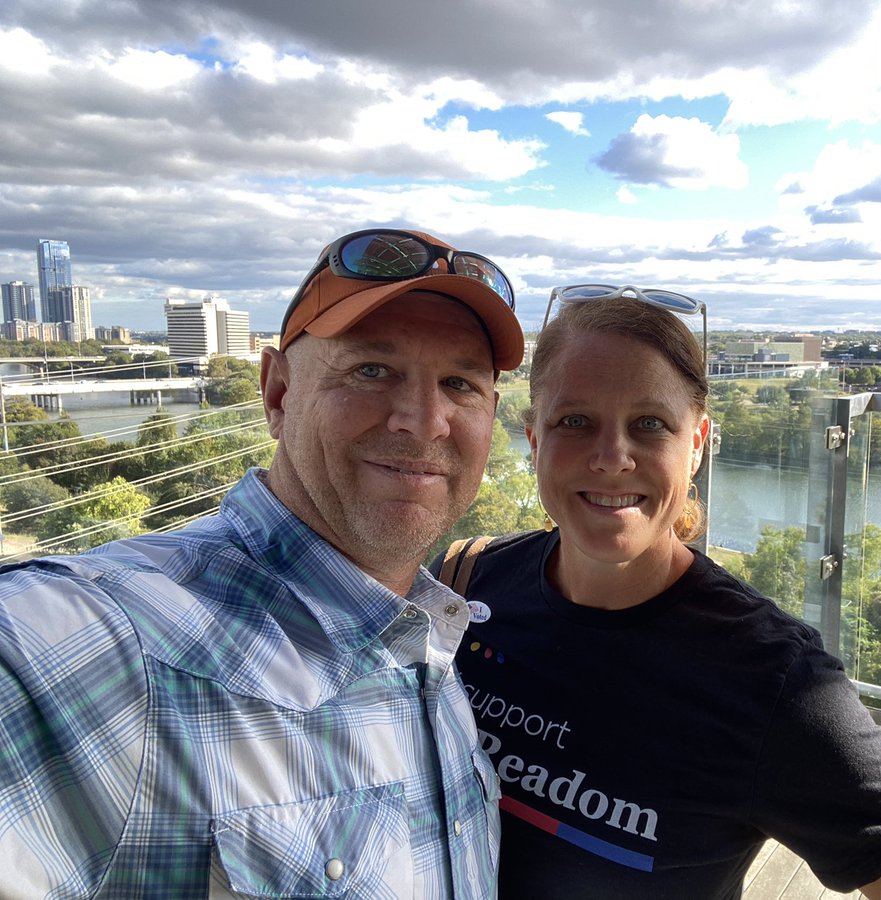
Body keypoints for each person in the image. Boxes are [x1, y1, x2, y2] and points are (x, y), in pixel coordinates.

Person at [0, 228, 526, 898]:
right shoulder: (114, 641)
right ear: (278, 394)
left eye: (460, 383)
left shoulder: (431, 643)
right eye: (371, 370)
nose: (424, 421)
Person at [438, 285, 881, 899]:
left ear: (697, 443)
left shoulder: (774, 681)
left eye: (649, 424)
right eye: (575, 421)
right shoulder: (465, 584)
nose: (611, 456)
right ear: (535, 438)